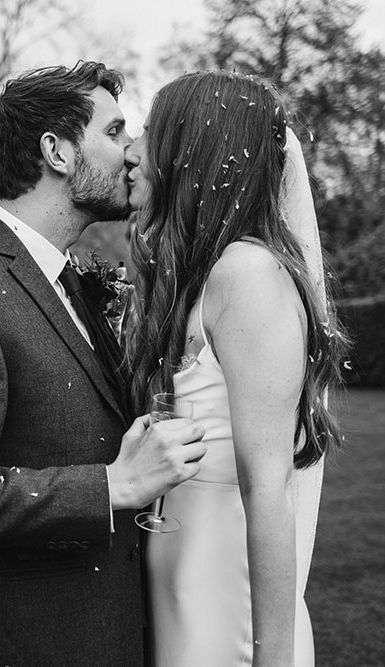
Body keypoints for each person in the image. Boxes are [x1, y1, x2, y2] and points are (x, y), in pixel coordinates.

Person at [0, 60, 206, 666]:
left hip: (107, 623)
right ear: (57, 152)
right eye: (114, 133)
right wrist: (113, 485)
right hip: (28, 639)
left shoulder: (72, 278)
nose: (131, 153)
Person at [124, 70, 348, 666]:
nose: (130, 149)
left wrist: (269, 659)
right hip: (182, 570)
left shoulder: (248, 274)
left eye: (149, 131)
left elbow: (268, 488)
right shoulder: (201, 277)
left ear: (192, 149)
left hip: (227, 586)